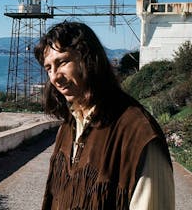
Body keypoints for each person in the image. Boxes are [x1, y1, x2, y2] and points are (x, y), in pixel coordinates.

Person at [34, 21, 175, 210]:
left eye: (62, 62)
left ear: (89, 59)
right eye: (48, 68)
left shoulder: (138, 132)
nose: (54, 77)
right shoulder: (68, 126)